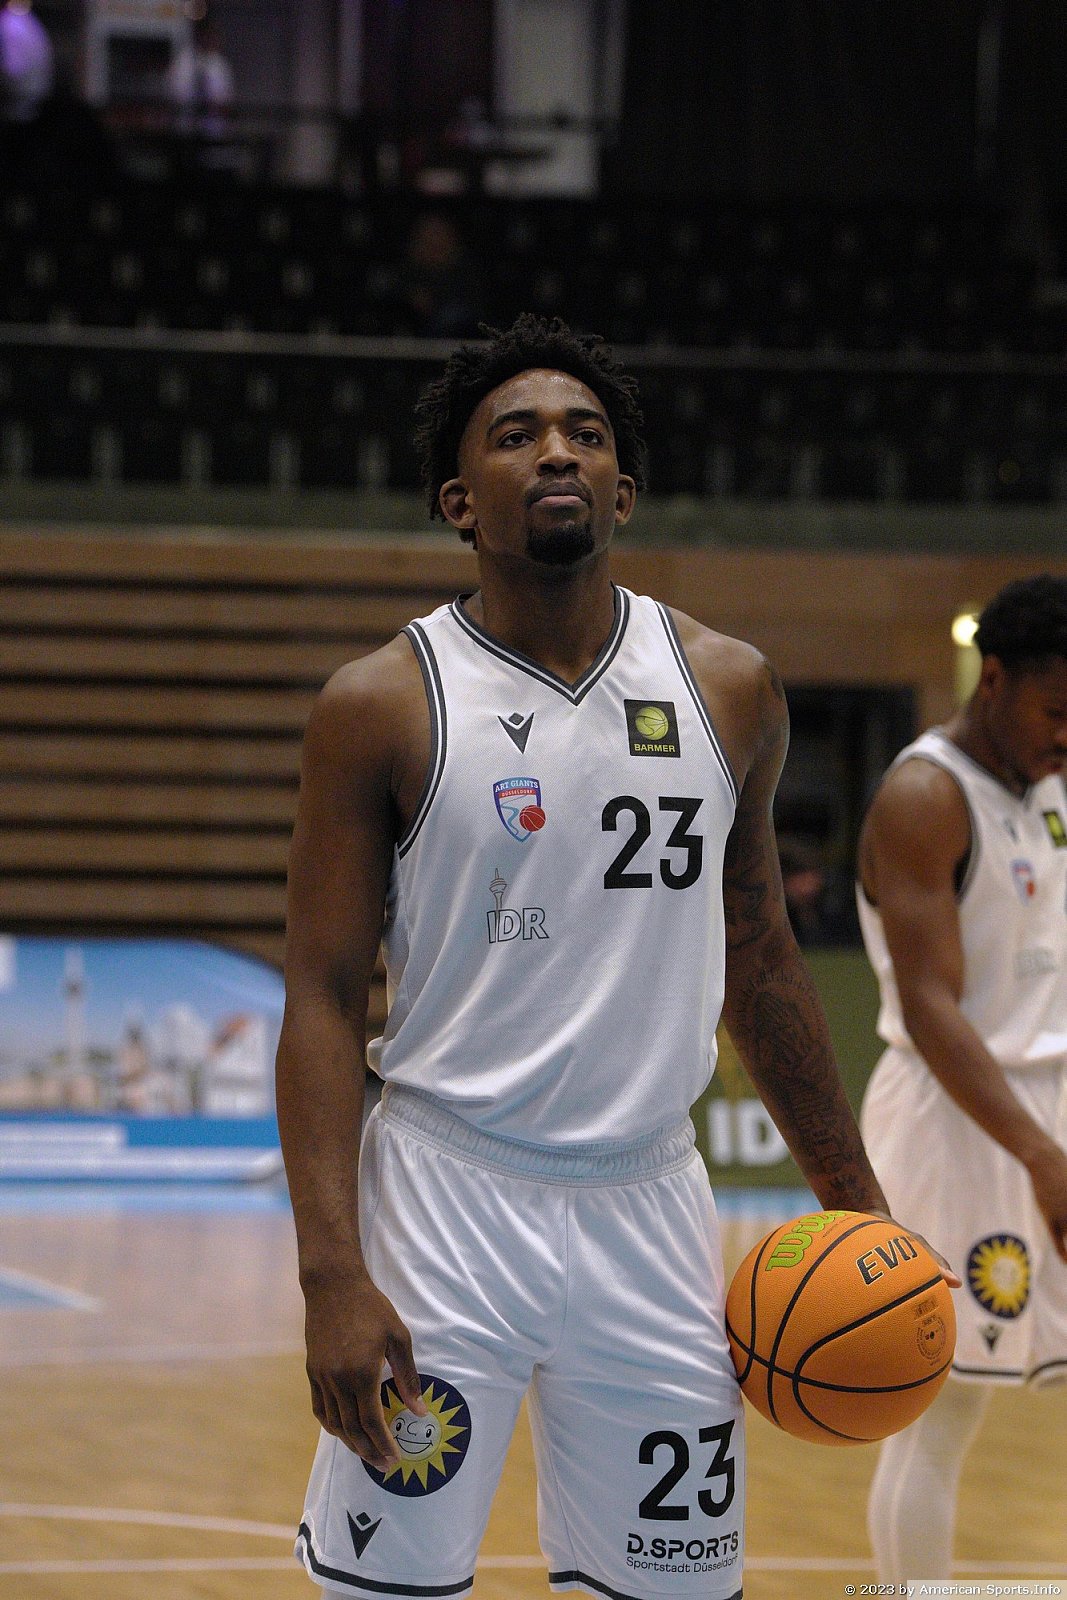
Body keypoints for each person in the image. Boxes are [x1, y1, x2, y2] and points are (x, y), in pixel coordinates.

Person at [276, 313, 950, 1600]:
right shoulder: (379, 703)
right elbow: (318, 994)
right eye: (514, 434)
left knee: (675, 1587)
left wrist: (855, 1204)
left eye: (583, 434)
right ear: (457, 501)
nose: (555, 452)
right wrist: (330, 1274)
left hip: (650, 1207)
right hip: (443, 1202)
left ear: (622, 492)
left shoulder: (729, 687)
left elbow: (758, 956)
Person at [857, 573, 1067, 1581]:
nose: (1066, 735)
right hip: (955, 1119)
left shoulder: (1048, 785)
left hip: (1042, 1107)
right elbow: (930, 1008)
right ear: (993, 680)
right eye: (1055, 710)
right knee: (937, 1409)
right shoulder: (924, 795)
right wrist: (1038, 1154)